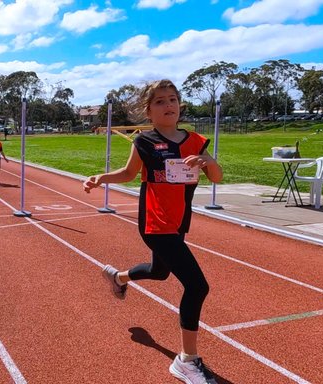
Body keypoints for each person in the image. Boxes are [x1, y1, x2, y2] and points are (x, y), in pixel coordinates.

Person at [83, 79, 223, 384]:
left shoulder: (196, 141)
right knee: (197, 286)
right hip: (155, 223)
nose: (168, 105)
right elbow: (129, 174)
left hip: (178, 222)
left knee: (160, 272)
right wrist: (99, 178)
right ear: (149, 110)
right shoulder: (144, 142)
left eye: (172, 99)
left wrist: (208, 161)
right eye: (160, 101)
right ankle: (187, 360)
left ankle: (117, 277)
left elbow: (217, 177)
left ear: (180, 104)